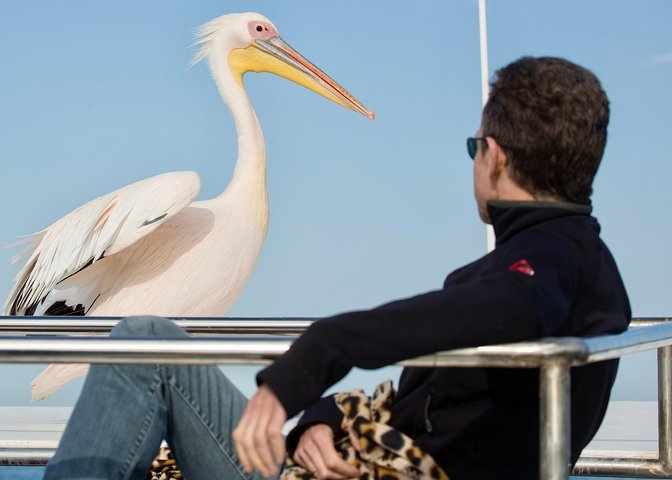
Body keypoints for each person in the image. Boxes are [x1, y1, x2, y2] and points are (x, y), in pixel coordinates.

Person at [44, 56, 630, 480]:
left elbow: (512, 306)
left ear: (495, 157)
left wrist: (316, 354)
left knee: (145, 348)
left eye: (474, 148)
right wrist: (319, 419)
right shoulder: (580, 264)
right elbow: (423, 401)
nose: (475, 161)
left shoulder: (545, 269)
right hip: (353, 461)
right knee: (153, 342)